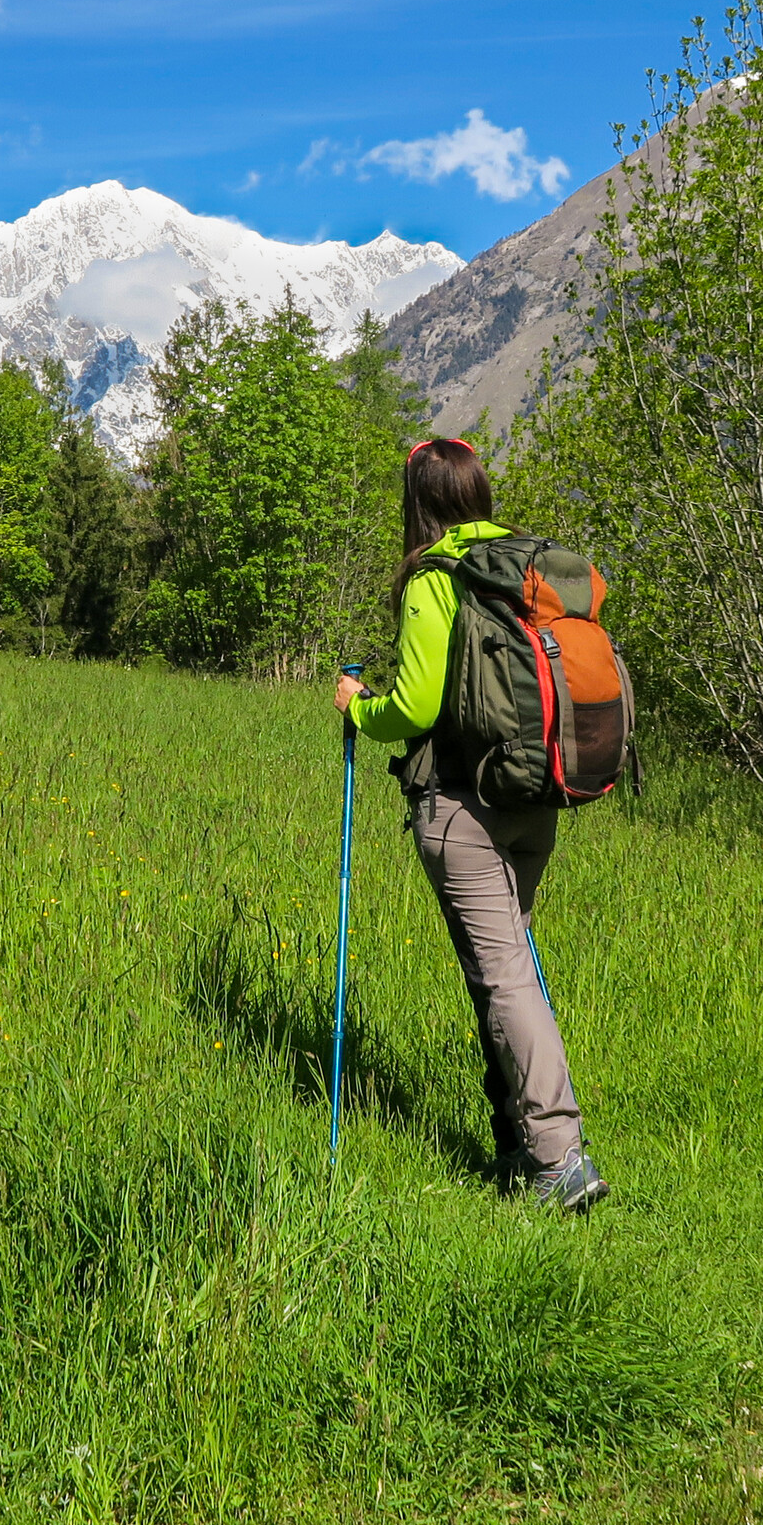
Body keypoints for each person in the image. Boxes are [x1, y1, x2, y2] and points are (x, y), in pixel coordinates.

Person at [333, 437, 606, 1212]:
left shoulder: (434, 578)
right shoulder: (526, 567)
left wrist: (359, 706)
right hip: (536, 797)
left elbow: (414, 707)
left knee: (502, 976)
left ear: (416, 502)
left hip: (461, 806)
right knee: (504, 967)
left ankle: (560, 1158)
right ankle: (517, 1145)